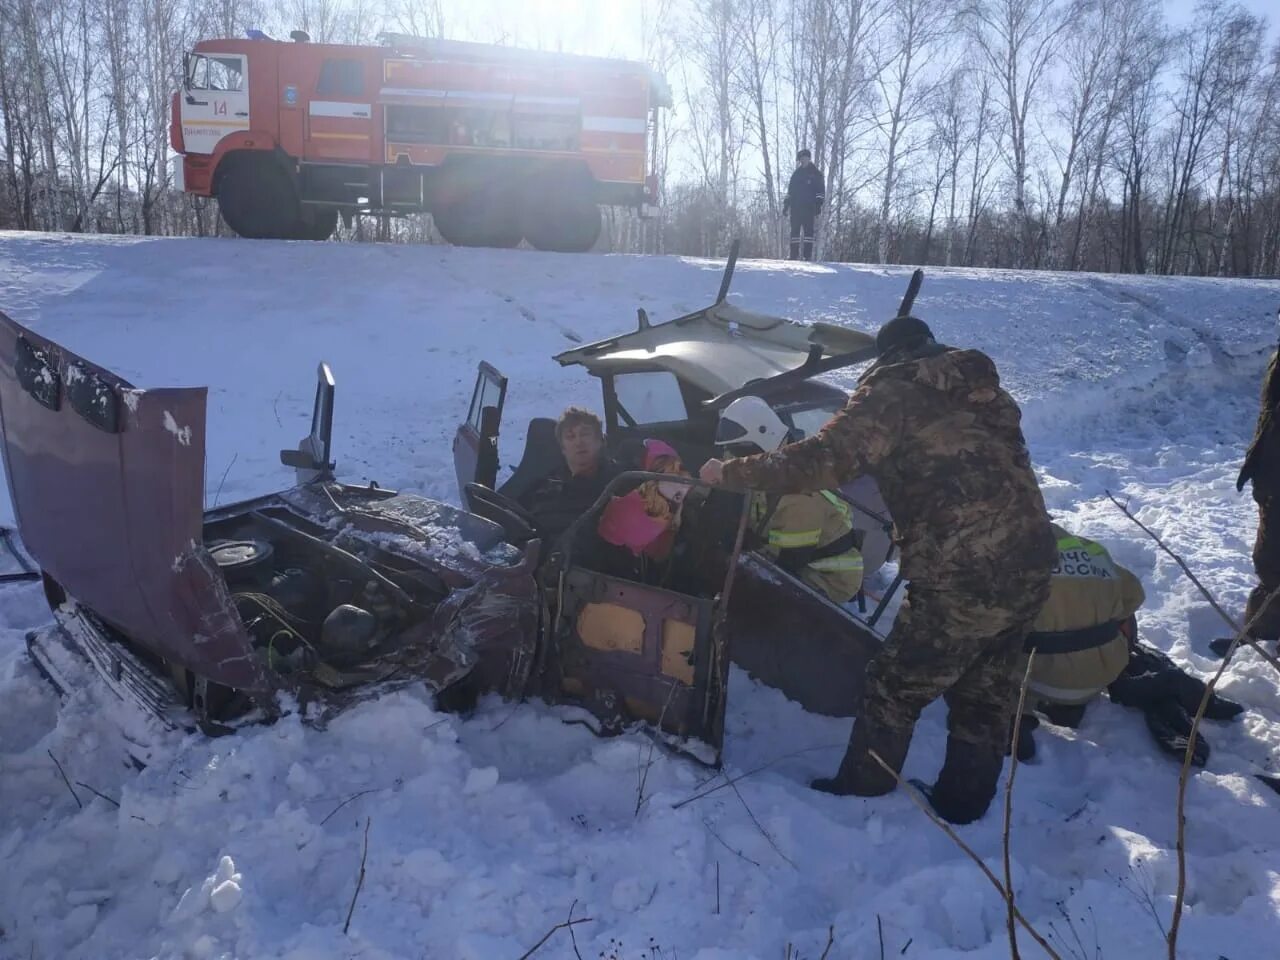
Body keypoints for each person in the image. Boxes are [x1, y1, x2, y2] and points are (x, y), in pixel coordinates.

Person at [700, 313, 1056, 825]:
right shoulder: (987, 394)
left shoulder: (894, 392)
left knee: (893, 686)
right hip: (1030, 560)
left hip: (961, 571)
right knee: (985, 691)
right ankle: (964, 805)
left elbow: (824, 460)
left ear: (888, 356)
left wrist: (731, 473)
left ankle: (862, 794)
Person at [1020, 524, 1243, 765]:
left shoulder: (997, 556)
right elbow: (1133, 596)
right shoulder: (1087, 549)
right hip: (1103, 673)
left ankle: (1018, 718)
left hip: (1037, 681)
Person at [713, 396, 863, 604]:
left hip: (826, 577)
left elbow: (790, 562)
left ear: (763, 441)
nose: (734, 460)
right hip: (787, 559)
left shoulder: (800, 491)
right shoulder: (771, 472)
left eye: (739, 452)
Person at [1213, 329, 1280, 658]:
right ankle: (1263, 629)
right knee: (1269, 559)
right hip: (1273, 477)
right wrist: (1256, 465)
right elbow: (1269, 418)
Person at [517, 406, 618, 547]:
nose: (579, 442)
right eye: (571, 437)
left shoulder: (619, 483)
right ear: (562, 448)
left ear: (600, 441)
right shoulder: (543, 488)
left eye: (585, 434)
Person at [783, 149, 825, 262]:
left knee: (808, 233)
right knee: (794, 232)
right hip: (796, 207)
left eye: (804, 158)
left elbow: (820, 191)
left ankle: (807, 256)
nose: (802, 160)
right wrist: (786, 205)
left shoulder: (816, 173)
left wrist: (818, 205)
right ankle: (793, 255)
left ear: (808, 158)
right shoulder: (796, 174)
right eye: (800, 159)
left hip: (809, 207)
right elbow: (790, 191)